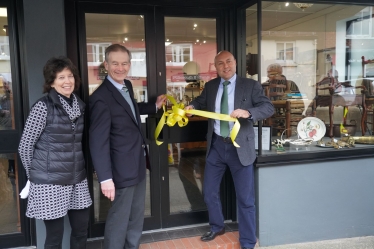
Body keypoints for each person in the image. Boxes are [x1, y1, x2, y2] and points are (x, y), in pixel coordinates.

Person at [185, 50, 274, 249]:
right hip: (217, 146)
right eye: (220, 63)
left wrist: (248, 112)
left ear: (235, 63)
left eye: (228, 61)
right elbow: (200, 101)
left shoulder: (250, 85)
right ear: (215, 67)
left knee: (245, 198)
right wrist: (191, 105)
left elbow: (268, 107)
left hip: (240, 148)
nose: (225, 66)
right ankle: (217, 226)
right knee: (209, 192)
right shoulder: (211, 86)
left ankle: (248, 241)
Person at [89, 44, 166, 249]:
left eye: (124, 63)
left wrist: (154, 106)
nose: (120, 68)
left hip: (138, 163)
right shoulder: (99, 99)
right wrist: (105, 178)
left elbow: (130, 110)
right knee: (118, 219)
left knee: (136, 215)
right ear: (106, 64)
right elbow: (98, 142)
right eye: (115, 63)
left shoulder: (126, 86)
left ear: (130, 64)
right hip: (120, 170)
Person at [18, 56, 92, 249]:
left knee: (81, 231)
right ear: (51, 82)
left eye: (70, 76)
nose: (67, 81)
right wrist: (32, 176)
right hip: (50, 183)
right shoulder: (42, 107)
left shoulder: (80, 106)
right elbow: (25, 146)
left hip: (77, 179)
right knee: (54, 238)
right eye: (60, 77)